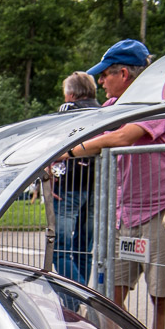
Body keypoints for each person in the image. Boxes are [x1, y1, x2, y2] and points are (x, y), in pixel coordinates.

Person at [60, 39, 165, 329]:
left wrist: (70, 152)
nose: (101, 81)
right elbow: (90, 129)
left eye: (105, 74)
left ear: (123, 73)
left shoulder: (157, 103)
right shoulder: (113, 108)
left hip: (163, 211)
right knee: (109, 296)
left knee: (163, 294)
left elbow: (122, 136)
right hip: (125, 214)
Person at [50, 72, 101, 286]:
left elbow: (55, 143)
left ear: (70, 95)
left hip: (69, 184)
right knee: (83, 248)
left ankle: (75, 300)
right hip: (95, 185)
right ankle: (82, 296)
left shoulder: (69, 110)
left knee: (60, 248)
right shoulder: (104, 111)